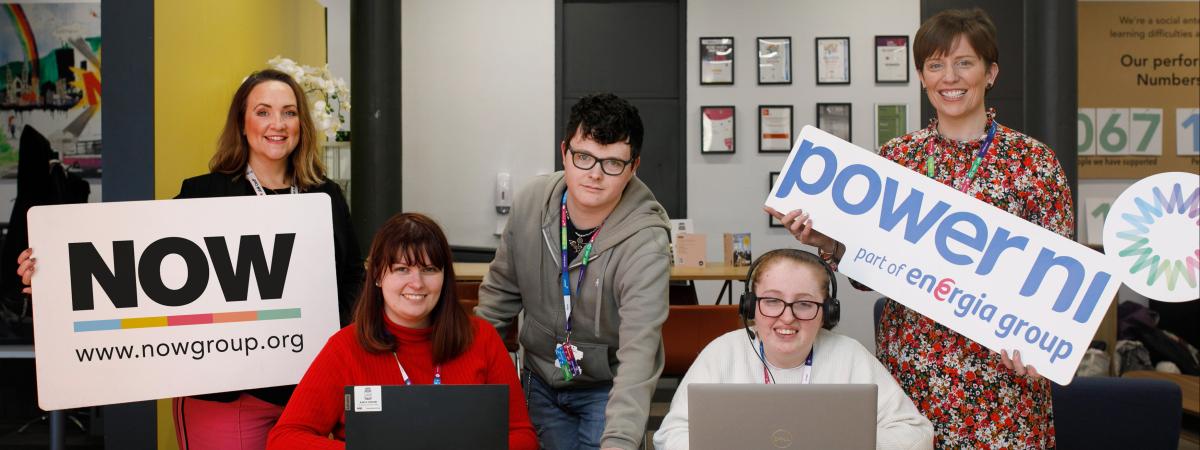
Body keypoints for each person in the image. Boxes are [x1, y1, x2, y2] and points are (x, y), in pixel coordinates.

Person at [767, 8, 1072, 448]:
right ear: (921, 76)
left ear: (991, 73)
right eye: (935, 64)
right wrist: (829, 243)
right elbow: (866, 275)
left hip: (1003, 378)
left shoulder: (1033, 162)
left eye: (964, 62)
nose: (950, 76)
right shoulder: (897, 157)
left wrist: (1044, 352)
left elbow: (1060, 284)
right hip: (913, 366)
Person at [16, 68, 363, 450]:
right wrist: (52, 278)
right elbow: (138, 269)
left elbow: (349, 277)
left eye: (289, 112)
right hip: (227, 398)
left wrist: (328, 337)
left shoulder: (326, 196)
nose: (277, 124)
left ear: (302, 123)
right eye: (263, 111)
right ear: (241, 122)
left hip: (309, 391)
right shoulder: (203, 194)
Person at [474, 93, 671, 450]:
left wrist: (622, 440)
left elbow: (639, 354)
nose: (594, 175)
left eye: (612, 163)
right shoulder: (532, 204)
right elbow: (498, 300)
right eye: (583, 158)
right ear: (565, 152)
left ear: (633, 166)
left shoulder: (646, 241)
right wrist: (464, 394)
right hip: (539, 378)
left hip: (606, 388)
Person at [267, 212, 538, 449]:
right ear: (377, 276)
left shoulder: (481, 339)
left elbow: (522, 436)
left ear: (445, 277)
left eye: (429, 269)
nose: (416, 283)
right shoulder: (345, 347)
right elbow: (284, 439)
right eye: (402, 269)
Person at [652, 249, 934, 450]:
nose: (787, 317)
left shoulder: (851, 356)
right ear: (750, 306)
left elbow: (917, 435)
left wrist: (846, 444)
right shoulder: (722, 353)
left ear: (827, 313)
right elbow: (670, 435)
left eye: (804, 303)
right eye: (772, 301)